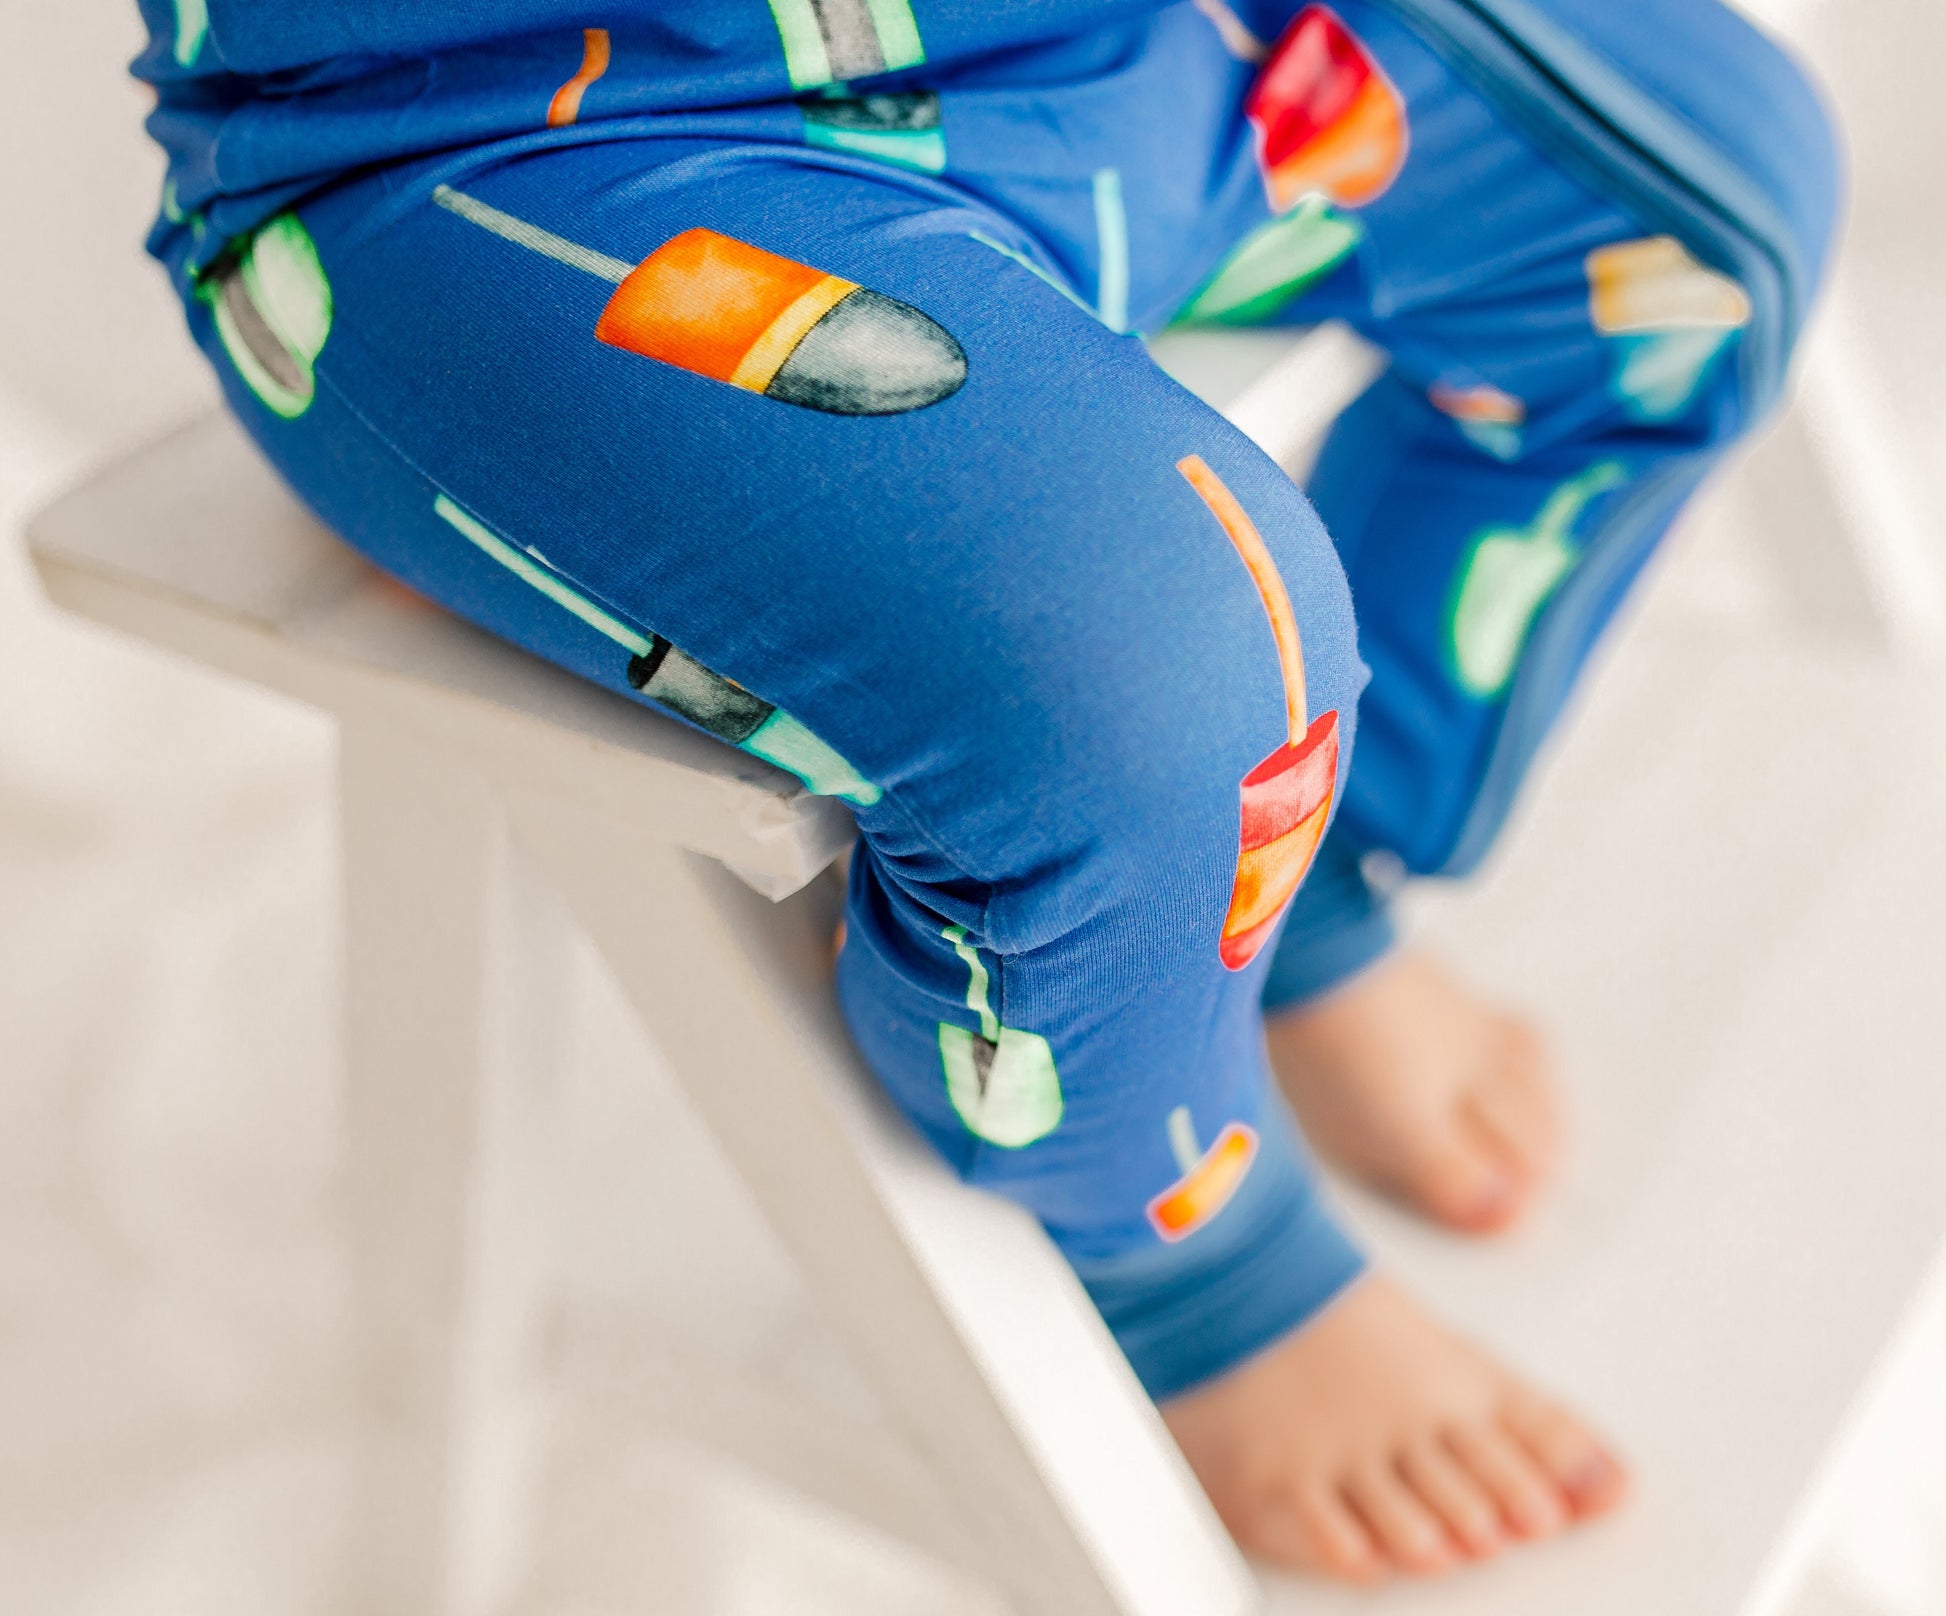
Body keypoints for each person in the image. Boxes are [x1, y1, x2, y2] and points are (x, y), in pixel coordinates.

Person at [136, 0, 1839, 1581]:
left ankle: (1289, 875)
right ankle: (1175, 1225)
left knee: (1710, 210)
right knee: (1145, 654)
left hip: (1101, 45)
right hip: (504, 144)